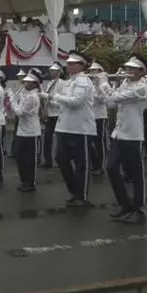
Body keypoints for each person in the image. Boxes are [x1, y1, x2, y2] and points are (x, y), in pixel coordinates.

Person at [102, 55, 147, 224]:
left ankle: (139, 209)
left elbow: (115, 98)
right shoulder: (125, 83)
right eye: (127, 68)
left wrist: (103, 83)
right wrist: (106, 86)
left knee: (136, 174)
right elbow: (110, 104)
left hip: (132, 135)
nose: (127, 71)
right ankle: (125, 204)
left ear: (141, 71)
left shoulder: (142, 88)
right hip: (118, 132)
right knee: (111, 168)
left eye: (131, 69)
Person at [46, 51, 95, 208]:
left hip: (80, 128)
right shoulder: (69, 81)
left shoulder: (83, 81)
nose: (68, 66)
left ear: (81, 65)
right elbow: (62, 102)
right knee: (61, 159)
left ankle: (82, 196)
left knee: (82, 164)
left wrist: (57, 97)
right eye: (67, 64)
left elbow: (76, 102)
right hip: (64, 127)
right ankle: (75, 191)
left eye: (72, 64)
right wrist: (50, 98)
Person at [5, 71, 41, 192]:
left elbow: (20, 112)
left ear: (34, 84)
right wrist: (16, 97)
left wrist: (12, 98)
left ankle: (30, 183)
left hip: (31, 131)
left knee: (30, 159)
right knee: (19, 155)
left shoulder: (32, 97)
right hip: (22, 130)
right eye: (25, 81)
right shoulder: (25, 94)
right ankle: (24, 180)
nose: (25, 83)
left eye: (28, 82)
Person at [88, 62, 110, 176]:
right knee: (89, 141)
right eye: (91, 71)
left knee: (99, 142)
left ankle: (100, 166)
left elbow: (103, 100)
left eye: (94, 70)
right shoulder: (90, 83)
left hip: (100, 116)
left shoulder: (105, 85)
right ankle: (94, 163)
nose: (92, 73)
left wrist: (97, 86)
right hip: (90, 116)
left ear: (100, 72)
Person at [40, 62, 64, 168]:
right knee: (47, 138)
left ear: (59, 72)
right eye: (51, 70)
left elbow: (61, 101)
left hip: (58, 114)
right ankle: (47, 160)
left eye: (53, 70)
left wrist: (49, 100)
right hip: (50, 114)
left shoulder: (63, 83)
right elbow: (48, 97)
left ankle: (61, 160)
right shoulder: (49, 83)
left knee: (60, 139)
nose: (51, 72)